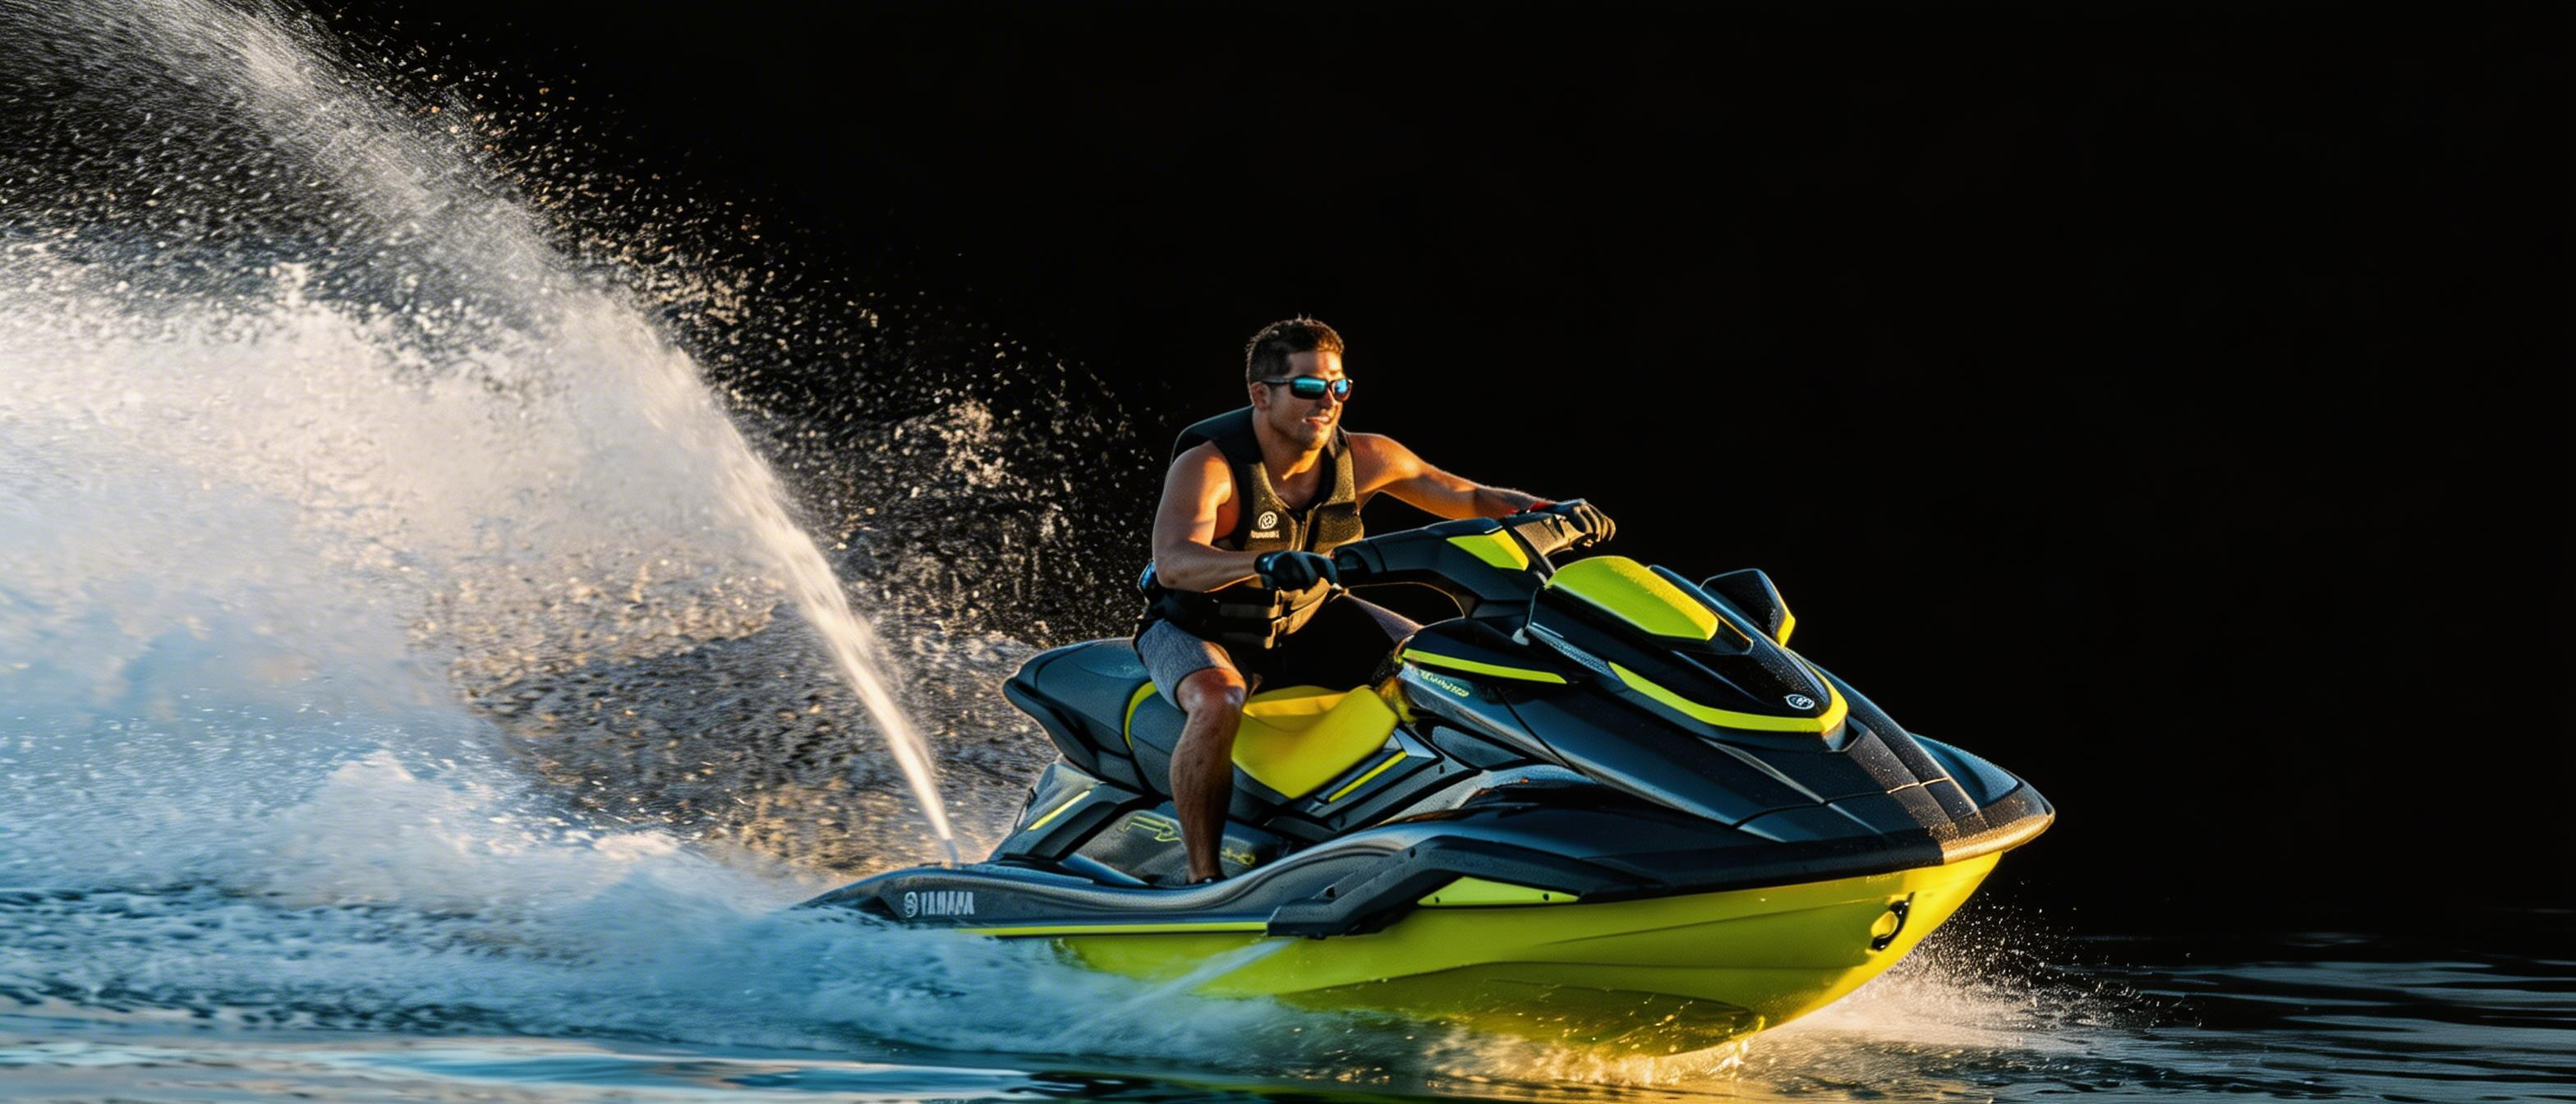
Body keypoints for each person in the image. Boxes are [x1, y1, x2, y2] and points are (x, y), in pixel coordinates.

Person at [1134, 317, 1613, 883]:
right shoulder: (1211, 466)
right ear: (1260, 395)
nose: (1328, 402)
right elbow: (1175, 562)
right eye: (1309, 388)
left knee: (1439, 665)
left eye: (1339, 388)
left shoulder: (1368, 458)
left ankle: (1442, 830)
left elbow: (1470, 496)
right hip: (1200, 628)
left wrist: (1551, 511)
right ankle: (1202, 880)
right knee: (1219, 701)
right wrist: (1261, 563)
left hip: (1310, 620)